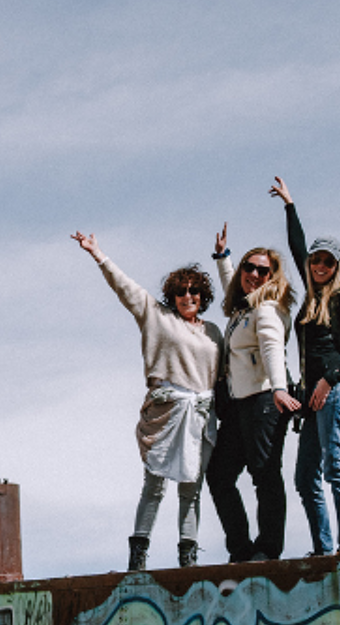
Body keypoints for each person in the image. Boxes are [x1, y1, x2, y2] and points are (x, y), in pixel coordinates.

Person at [72, 231, 225, 570]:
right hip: (168, 411)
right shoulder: (158, 317)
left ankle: (188, 556)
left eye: (194, 290)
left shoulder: (213, 332)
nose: (188, 295)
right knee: (154, 484)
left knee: (191, 489)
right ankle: (138, 556)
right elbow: (125, 287)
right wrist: (98, 254)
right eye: (181, 291)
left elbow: (226, 373)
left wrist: (224, 259)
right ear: (173, 295)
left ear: (203, 295)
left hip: (200, 414)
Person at [272, 177, 340, 556]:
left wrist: (328, 381)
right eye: (315, 260)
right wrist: (289, 205)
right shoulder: (313, 296)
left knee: (337, 468)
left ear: (336, 266)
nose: (318, 265)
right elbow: (296, 245)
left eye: (326, 261)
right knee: (305, 478)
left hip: (338, 388)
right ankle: (323, 549)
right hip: (318, 394)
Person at [206, 224, 299, 561]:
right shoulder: (242, 311)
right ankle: (241, 549)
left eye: (264, 270)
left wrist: (278, 388)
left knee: (265, 474)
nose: (255, 274)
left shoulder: (267, 309)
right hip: (238, 406)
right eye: (250, 267)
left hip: (264, 401)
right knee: (218, 475)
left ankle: (268, 548)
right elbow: (235, 285)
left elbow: (273, 347)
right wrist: (223, 258)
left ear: (272, 277)